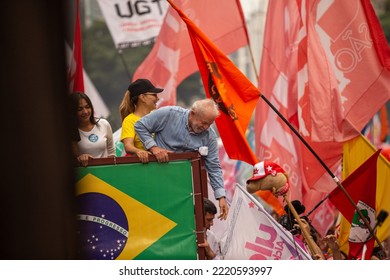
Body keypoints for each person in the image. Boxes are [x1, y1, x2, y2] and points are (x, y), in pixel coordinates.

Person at [134, 98, 229, 220]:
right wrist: (154, 148)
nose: (206, 127)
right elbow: (140, 126)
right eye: (203, 122)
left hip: (183, 188)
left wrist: (221, 197)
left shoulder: (209, 136)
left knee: (179, 219)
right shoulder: (169, 114)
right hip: (156, 179)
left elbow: (214, 167)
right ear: (192, 113)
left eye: (209, 124)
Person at [119, 79, 163, 163]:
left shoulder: (158, 117)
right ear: (142, 97)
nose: (157, 98)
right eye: (154, 95)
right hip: (144, 167)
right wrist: (139, 152)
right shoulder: (129, 120)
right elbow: (128, 146)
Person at [69, 92, 115, 166]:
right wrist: (79, 158)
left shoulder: (103, 124)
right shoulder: (70, 131)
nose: (85, 112)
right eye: (80, 109)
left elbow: (111, 153)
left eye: (87, 107)